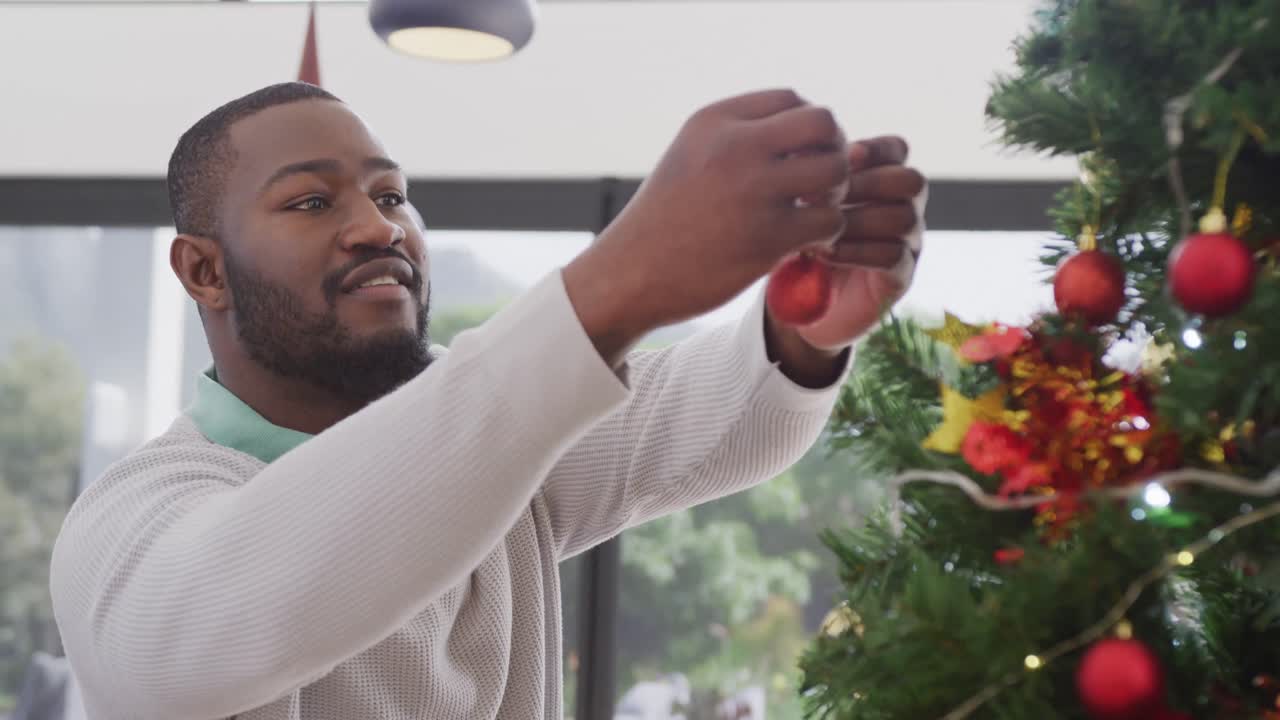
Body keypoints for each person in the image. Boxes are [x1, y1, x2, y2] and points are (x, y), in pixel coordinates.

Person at [48, 81, 926, 719]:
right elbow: (212, 624)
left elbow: (708, 418)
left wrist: (805, 323)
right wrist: (616, 281)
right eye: (312, 201)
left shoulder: (502, 460)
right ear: (203, 271)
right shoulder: (131, 521)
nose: (379, 226)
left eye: (391, 195)